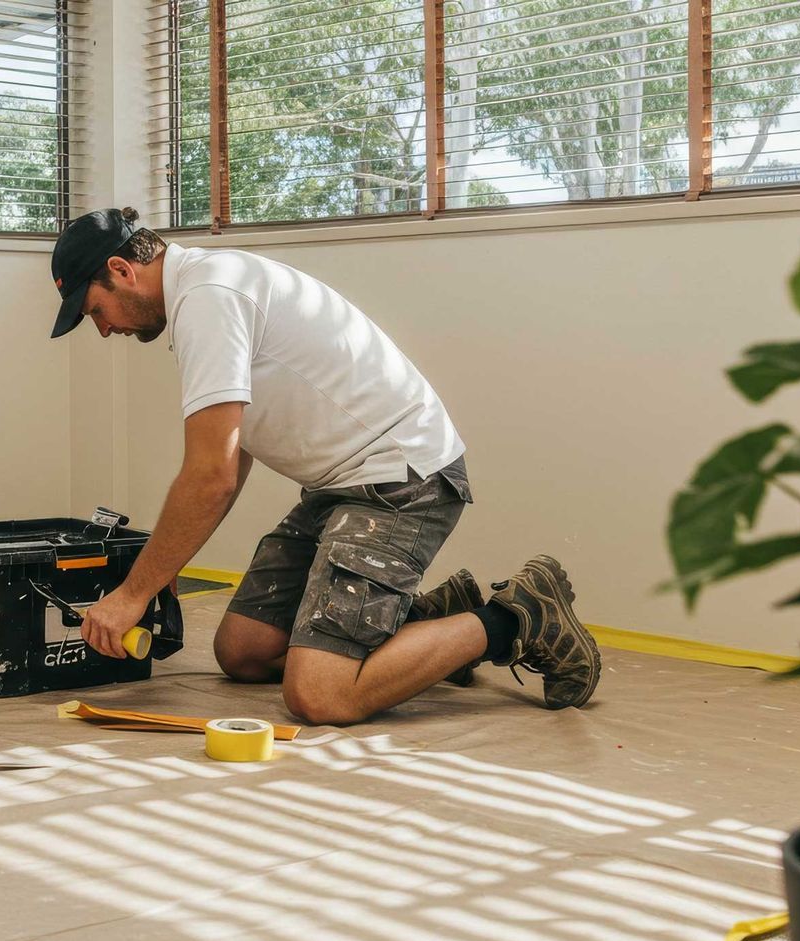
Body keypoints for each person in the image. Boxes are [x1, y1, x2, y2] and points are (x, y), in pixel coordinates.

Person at [49, 207, 600, 726]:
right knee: (243, 652)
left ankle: (517, 617)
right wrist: (161, 572)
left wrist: (132, 595)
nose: (102, 329)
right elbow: (232, 453)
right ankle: (430, 621)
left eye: (95, 310)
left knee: (321, 695)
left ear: (122, 270)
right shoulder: (204, 291)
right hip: (339, 487)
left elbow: (208, 477)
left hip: (402, 481)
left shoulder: (210, 297)